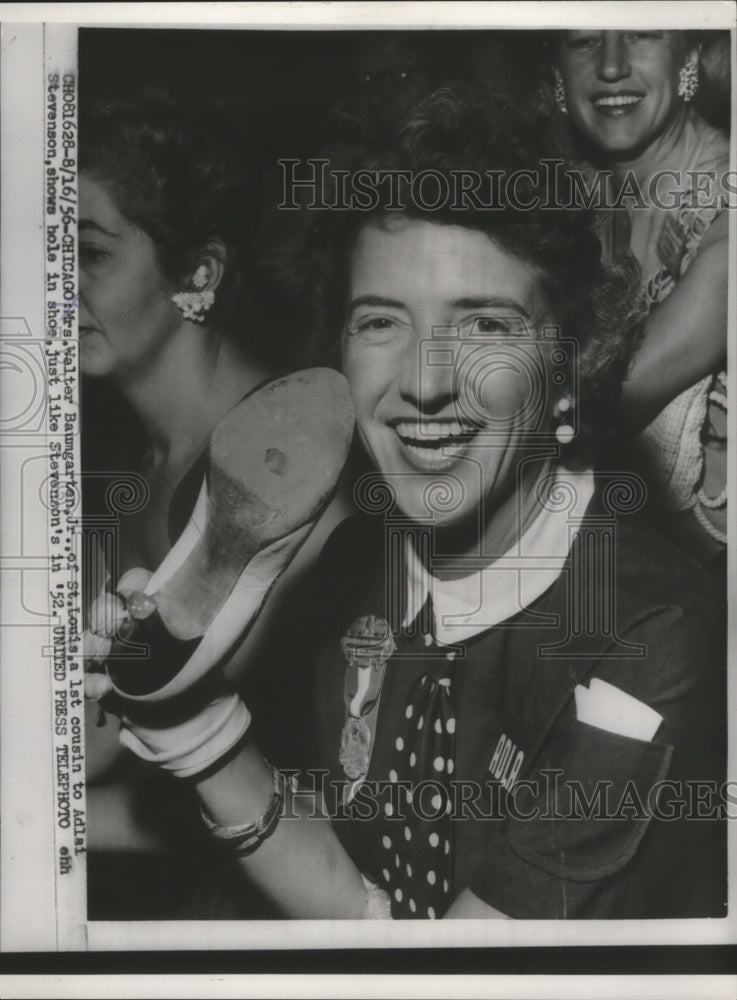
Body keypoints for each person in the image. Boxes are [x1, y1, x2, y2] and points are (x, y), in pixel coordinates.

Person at [89, 82, 725, 920]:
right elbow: (363, 913)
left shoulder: (652, 632)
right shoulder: (353, 571)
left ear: (569, 367)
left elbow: (455, 969)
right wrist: (185, 722)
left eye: (484, 326)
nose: (422, 383)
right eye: (380, 322)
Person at [79, 92, 355, 914]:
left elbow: (166, 758)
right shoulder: (125, 457)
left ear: (197, 274)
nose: (51, 283)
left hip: (280, 885)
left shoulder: (279, 464)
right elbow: (87, 739)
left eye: (88, 253)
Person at [551, 29, 730, 568]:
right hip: (632, 559)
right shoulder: (572, 194)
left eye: (642, 35)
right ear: (555, 74)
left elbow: (597, 398)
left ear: (690, 56)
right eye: (583, 42)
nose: (611, 66)